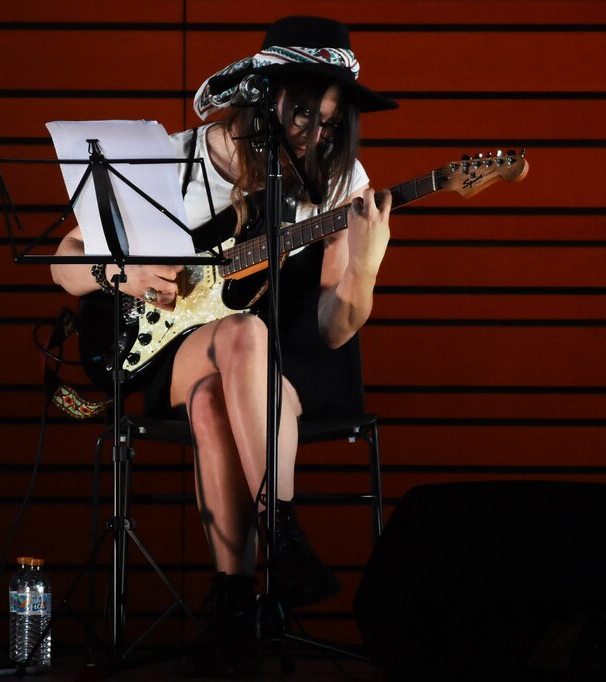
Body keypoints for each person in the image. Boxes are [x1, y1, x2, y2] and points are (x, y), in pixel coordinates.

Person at [51, 15, 397, 649]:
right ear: (265, 97)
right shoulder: (176, 157)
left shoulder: (341, 179)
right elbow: (63, 263)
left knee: (218, 389)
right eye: (304, 115)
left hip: (280, 363)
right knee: (240, 334)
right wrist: (124, 274)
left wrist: (364, 268)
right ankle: (282, 534)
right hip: (168, 346)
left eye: (329, 122)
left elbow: (334, 331)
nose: (316, 134)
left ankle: (232, 600)